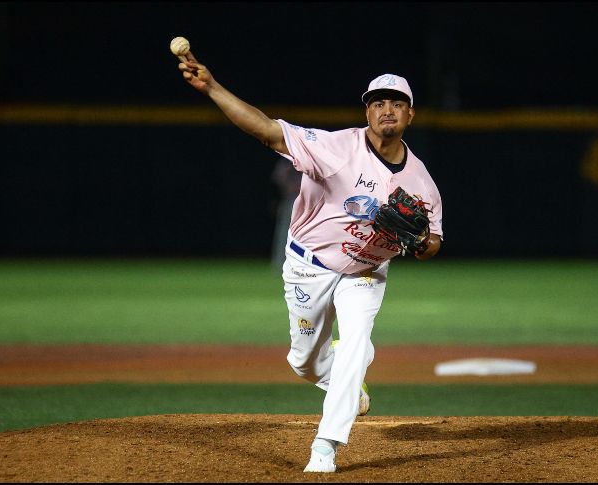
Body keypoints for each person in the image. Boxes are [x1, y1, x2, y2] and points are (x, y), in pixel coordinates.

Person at [176, 51, 443, 473]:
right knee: (303, 362)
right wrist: (211, 87)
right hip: (309, 264)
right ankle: (347, 383)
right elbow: (267, 131)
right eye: (378, 102)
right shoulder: (336, 148)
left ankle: (326, 445)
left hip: (366, 272)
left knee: (355, 344)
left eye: (396, 103)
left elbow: (433, 243)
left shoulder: (421, 180)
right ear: (367, 111)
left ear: (410, 114)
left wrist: (421, 241)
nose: (386, 110)